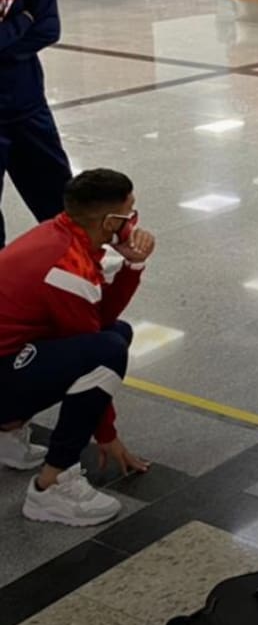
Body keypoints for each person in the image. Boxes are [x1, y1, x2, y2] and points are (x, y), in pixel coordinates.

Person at [0, 169, 153, 527]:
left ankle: (7, 432)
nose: (133, 222)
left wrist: (134, 264)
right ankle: (51, 487)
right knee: (109, 350)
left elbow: (101, 319)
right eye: (129, 215)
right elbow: (96, 348)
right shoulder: (68, 268)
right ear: (109, 222)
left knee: (116, 333)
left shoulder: (60, 233)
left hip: (8, 356)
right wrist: (107, 434)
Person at [0, 0, 70, 249]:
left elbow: (47, 29)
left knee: (57, 199)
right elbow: (33, 23)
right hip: (21, 92)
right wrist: (21, 21)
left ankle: (76, 266)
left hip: (25, 106)